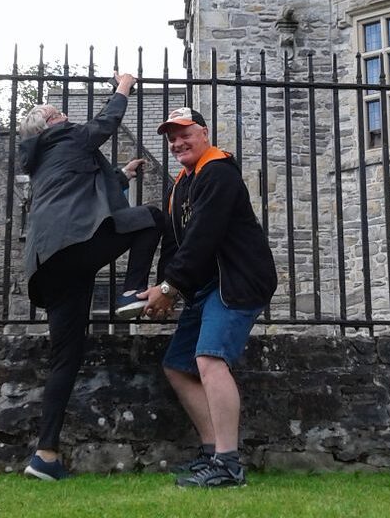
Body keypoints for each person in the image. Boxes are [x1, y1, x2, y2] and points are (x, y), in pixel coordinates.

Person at [17, 72, 163, 481]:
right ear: (50, 124)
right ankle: (133, 289)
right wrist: (123, 87)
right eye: (59, 113)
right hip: (72, 245)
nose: (66, 115)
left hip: (49, 267)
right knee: (151, 218)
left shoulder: (43, 158)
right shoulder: (66, 138)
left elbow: (80, 186)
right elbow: (103, 125)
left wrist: (122, 176)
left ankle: (44, 455)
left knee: (66, 358)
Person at [137, 106, 278, 488]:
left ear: (204, 133)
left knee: (209, 359)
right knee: (178, 365)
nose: (178, 143)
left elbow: (203, 237)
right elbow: (174, 242)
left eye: (185, 134)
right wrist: (159, 288)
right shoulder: (181, 183)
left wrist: (169, 289)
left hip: (237, 280)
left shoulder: (218, 172)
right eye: (171, 138)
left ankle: (229, 465)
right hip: (205, 284)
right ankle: (211, 452)